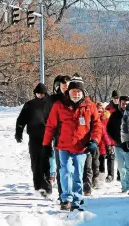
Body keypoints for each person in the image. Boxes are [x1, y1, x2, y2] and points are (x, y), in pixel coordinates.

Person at [42, 74, 102, 211]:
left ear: (82, 92)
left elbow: (97, 126)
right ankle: (66, 199)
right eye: (73, 91)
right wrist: (46, 145)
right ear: (68, 92)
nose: (76, 94)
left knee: (77, 174)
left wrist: (94, 141)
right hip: (63, 146)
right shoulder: (59, 105)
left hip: (81, 147)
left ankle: (77, 198)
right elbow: (50, 126)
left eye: (78, 92)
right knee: (65, 171)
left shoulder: (90, 106)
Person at [15, 82, 51, 196]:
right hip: (34, 137)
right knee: (35, 162)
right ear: (35, 93)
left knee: (45, 162)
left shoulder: (50, 104)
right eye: (38, 93)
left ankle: (47, 186)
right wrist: (18, 133)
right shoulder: (29, 105)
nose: (40, 95)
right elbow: (21, 120)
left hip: (47, 137)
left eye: (42, 93)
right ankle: (38, 186)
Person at [42, 75, 72, 200]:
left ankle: (75, 194)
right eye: (63, 85)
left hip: (76, 138)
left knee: (75, 168)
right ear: (59, 86)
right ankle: (63, 194)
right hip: (59, 138)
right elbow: (47, 118)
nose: (65, 88)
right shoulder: (53, 100)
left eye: (67, 85)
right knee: (62, 167)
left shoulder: (76, 97)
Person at [106, 95, 129, 194]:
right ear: (120, 104)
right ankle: (124, 186)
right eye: (123, 103)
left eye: (127, 104)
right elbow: (109, 129)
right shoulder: (114, 115)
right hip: (118, 145)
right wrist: (116, 140)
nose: (125, 105)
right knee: (121, 168)